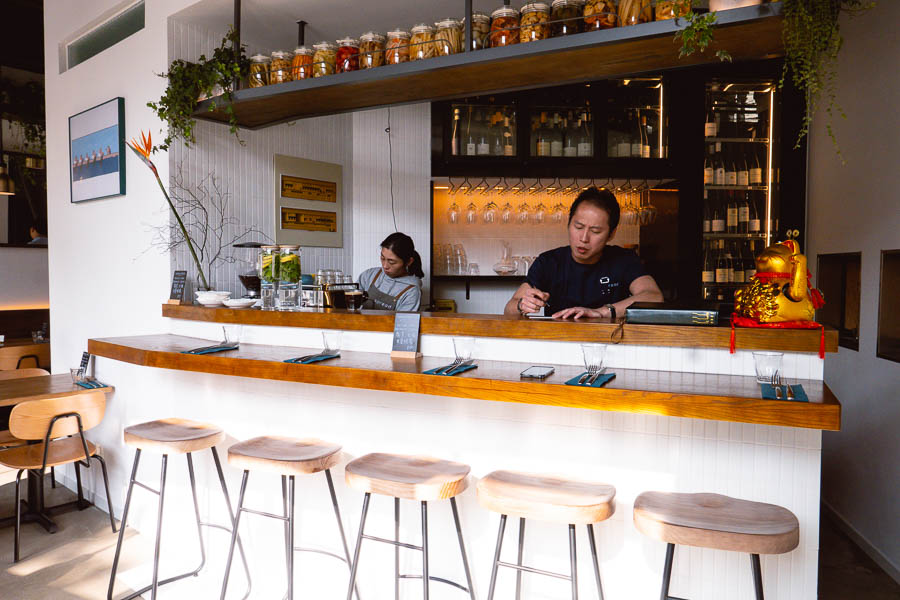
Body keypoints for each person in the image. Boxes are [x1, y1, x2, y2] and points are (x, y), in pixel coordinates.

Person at [505, 187, 663, 319]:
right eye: (578, 227)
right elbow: (509, 309)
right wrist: (521, 305)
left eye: (595, 231)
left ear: (611, 233)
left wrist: (601, 312)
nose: (584, 238)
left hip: (610, 345)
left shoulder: (624, 260)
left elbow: (653, 296)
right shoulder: (549, 262)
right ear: (569, 223)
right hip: (558, 345)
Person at [358, 232, 424, 311]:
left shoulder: (411, 292)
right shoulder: (369, 275)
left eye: (392, 262)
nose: (385, 266)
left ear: (408, 262)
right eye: (382, 258)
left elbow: (403, 323)